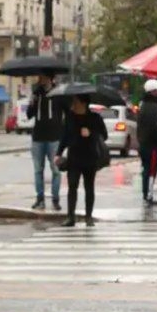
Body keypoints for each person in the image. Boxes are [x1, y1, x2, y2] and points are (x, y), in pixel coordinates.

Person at [54, 93, 107, 227]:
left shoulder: (95, 118)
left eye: (76, 101)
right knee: (72, 186)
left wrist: (91, 133)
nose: (73, 104)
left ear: (83, 103)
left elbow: (104, 135)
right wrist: (58, 153)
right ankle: (70, 217)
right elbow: (64, 136)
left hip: (90, 157)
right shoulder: (70, 117)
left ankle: (88, 217)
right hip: (74, 157)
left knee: (89, 187)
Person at [27, 72, 65, 211]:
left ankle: (55, 199)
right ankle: (40, 199)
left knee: (56, 170)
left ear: (50, 78)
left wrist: (64, 133)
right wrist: (32, 102)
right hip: (38, 137)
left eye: (42, 77)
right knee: (38, 170)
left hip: (54, 138)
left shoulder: (59, 94)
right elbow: (29, 115)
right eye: (39, 77)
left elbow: (65, 113)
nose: (40, 80)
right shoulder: (37, 94)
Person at [136, 79, 157, 207]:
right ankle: (149, 194)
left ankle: (147, 193)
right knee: (151, 170)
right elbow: (156, 128)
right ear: (153, 92)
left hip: (144, 143)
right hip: (152, 145)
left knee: (146, 169)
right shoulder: (153, 108)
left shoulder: (144, 105)